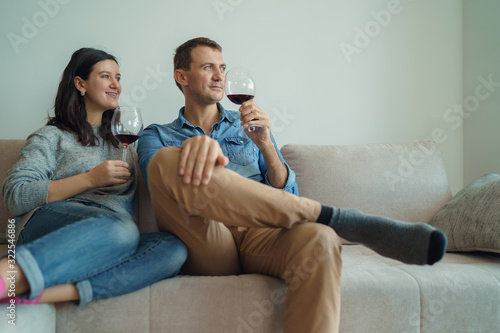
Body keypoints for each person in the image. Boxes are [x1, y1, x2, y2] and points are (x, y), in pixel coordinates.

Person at [137, 37, 447, 333]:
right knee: (165, 162)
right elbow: (158, 184)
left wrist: (265, 145)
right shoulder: (157, 135)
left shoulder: (249, 123)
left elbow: (288, 194)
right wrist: (196, 149)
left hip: (261, 231)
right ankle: (341, 218)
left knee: (321, 238)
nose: (220, 76)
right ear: (182, 76)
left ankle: (328, 222)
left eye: (222, 68)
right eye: (208, 67)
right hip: (206, 236)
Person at [0, 48, 187, 306]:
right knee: (120, 229)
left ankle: (42, 294)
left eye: (118, 78)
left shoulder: (128, 142)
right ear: (80, 84)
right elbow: (15, 195)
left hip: (112, 237)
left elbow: (160, 173)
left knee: (173, 249)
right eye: (105, 76)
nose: (115, 85)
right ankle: (8, 276)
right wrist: (90, 179)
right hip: (53, 223)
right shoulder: (51, 136)